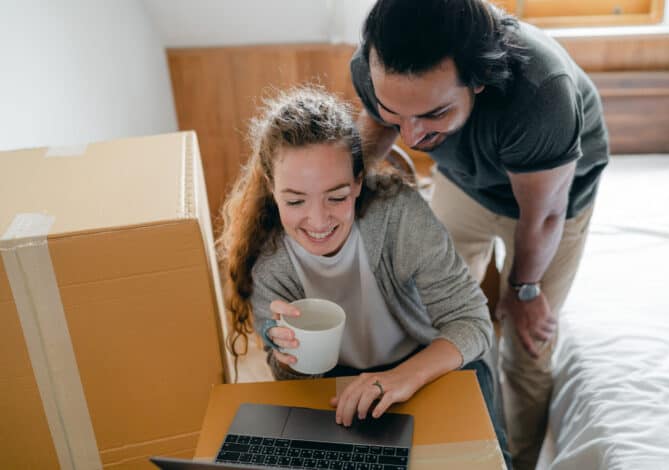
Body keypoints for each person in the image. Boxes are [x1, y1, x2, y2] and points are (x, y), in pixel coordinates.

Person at [349, 1, 609, 468]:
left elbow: (544, 214)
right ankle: (448, 451)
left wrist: (524, 290)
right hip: (465, 183)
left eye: (432, 114)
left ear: (479, 80)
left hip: (553, 203)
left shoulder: (541, 90)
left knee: (527, 346)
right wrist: (338, 194)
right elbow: (376, 133)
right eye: (396, 112)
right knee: (433, 320)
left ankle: (518, 461)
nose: (410, 136)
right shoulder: (375, 62)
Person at [216, 86, 510, 465]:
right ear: (272, 189)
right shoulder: (269, 263)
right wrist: (288, 357)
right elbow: (299, 388)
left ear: (357, 181)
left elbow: (472, 323)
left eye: (336, 196)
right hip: (342, 386)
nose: (319, 221)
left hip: (430, 364)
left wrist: (399, 377)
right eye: (295, 200)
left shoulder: (398, 216)